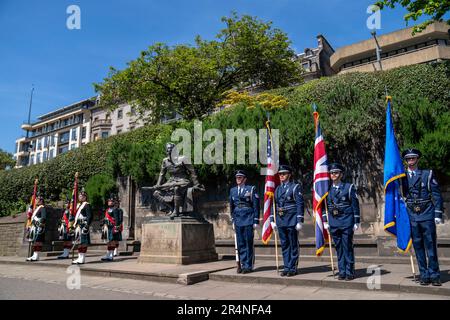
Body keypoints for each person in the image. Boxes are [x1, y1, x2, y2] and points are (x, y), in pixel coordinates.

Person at [401, 148, 444, 286]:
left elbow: (436, 195)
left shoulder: (427, 174)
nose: (411, 161)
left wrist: (438, 213)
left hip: (426, 213)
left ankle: (435, 274)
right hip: (412, 215)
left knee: (430, 245)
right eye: (408, 159)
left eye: (413, 158)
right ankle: (424, 275)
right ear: (406, 161)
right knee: (418, 246)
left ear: (417, 159)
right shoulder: (401, 177)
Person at [323, 163, 360, 281]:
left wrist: (356, 221)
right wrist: (325, 220)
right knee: (339, 248)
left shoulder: (349, 187)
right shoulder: (326, 189)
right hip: (334, 222)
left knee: (347, 247)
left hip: (346, 222)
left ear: (341, 174)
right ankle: (342, 271)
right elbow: (324, 207)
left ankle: (350, 271)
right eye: (332, 173)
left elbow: (355, 205)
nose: (333, 175)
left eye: (336, 172)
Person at [270, 165, 304, 277]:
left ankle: (293, 267)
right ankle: (286, 266)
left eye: (284, 174)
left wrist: (299, 220)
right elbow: (273, 205)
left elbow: (299, 204)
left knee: (293, 244)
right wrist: (272, 219)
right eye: (280, 174)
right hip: (280, 220)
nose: (281, 176)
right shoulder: (277, 189)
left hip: (291, 219)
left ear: (289, 175)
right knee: (284, 245)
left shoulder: (295, 187)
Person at [229, 170, 260, 273]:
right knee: (240, 243)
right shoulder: (232, 190)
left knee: (248, 242)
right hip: (238, 219)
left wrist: (256, 220)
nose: (238, 179)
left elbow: (256, 205)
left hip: (248, 218)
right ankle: (242, 264)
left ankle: (248, 265)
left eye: (240, 177)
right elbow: (231, 206)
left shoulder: (251, 189)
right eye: (237, 177)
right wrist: (233, 219)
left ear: (244, 179)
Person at [72, 191, 92, 264]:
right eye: (79, 196)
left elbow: (90, 216)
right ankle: (79, 257)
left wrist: (87, 225)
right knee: (79, 242)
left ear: (85, 197)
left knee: (83, 242)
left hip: (84, 225)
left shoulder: (87, 205)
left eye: (82, 196)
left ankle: (82, 258)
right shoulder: (79, 206)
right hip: (78, 225)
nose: (80, 197)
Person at [101, 195, 122, 261]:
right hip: (107, 227)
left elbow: (117, 219)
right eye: (109, 201)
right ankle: (108, 255)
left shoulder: (115, 209)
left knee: (112, 241)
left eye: (111, 201)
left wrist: (116, 227)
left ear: (113, 202)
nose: (109, 202)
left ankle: (111, 255)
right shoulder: (107, 209)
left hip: (112, 227)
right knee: (109, 241)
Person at [26, 196, 46, 262]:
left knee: (38, 242)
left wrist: (39, 223)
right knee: (35, 242)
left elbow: (43, 218)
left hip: (39, 227)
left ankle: (36, 256)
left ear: (41, 201)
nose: (36, 200)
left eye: (37, 199)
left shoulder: (42, 208)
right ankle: (34, 255)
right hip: (35, 227)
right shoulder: (37, 208)